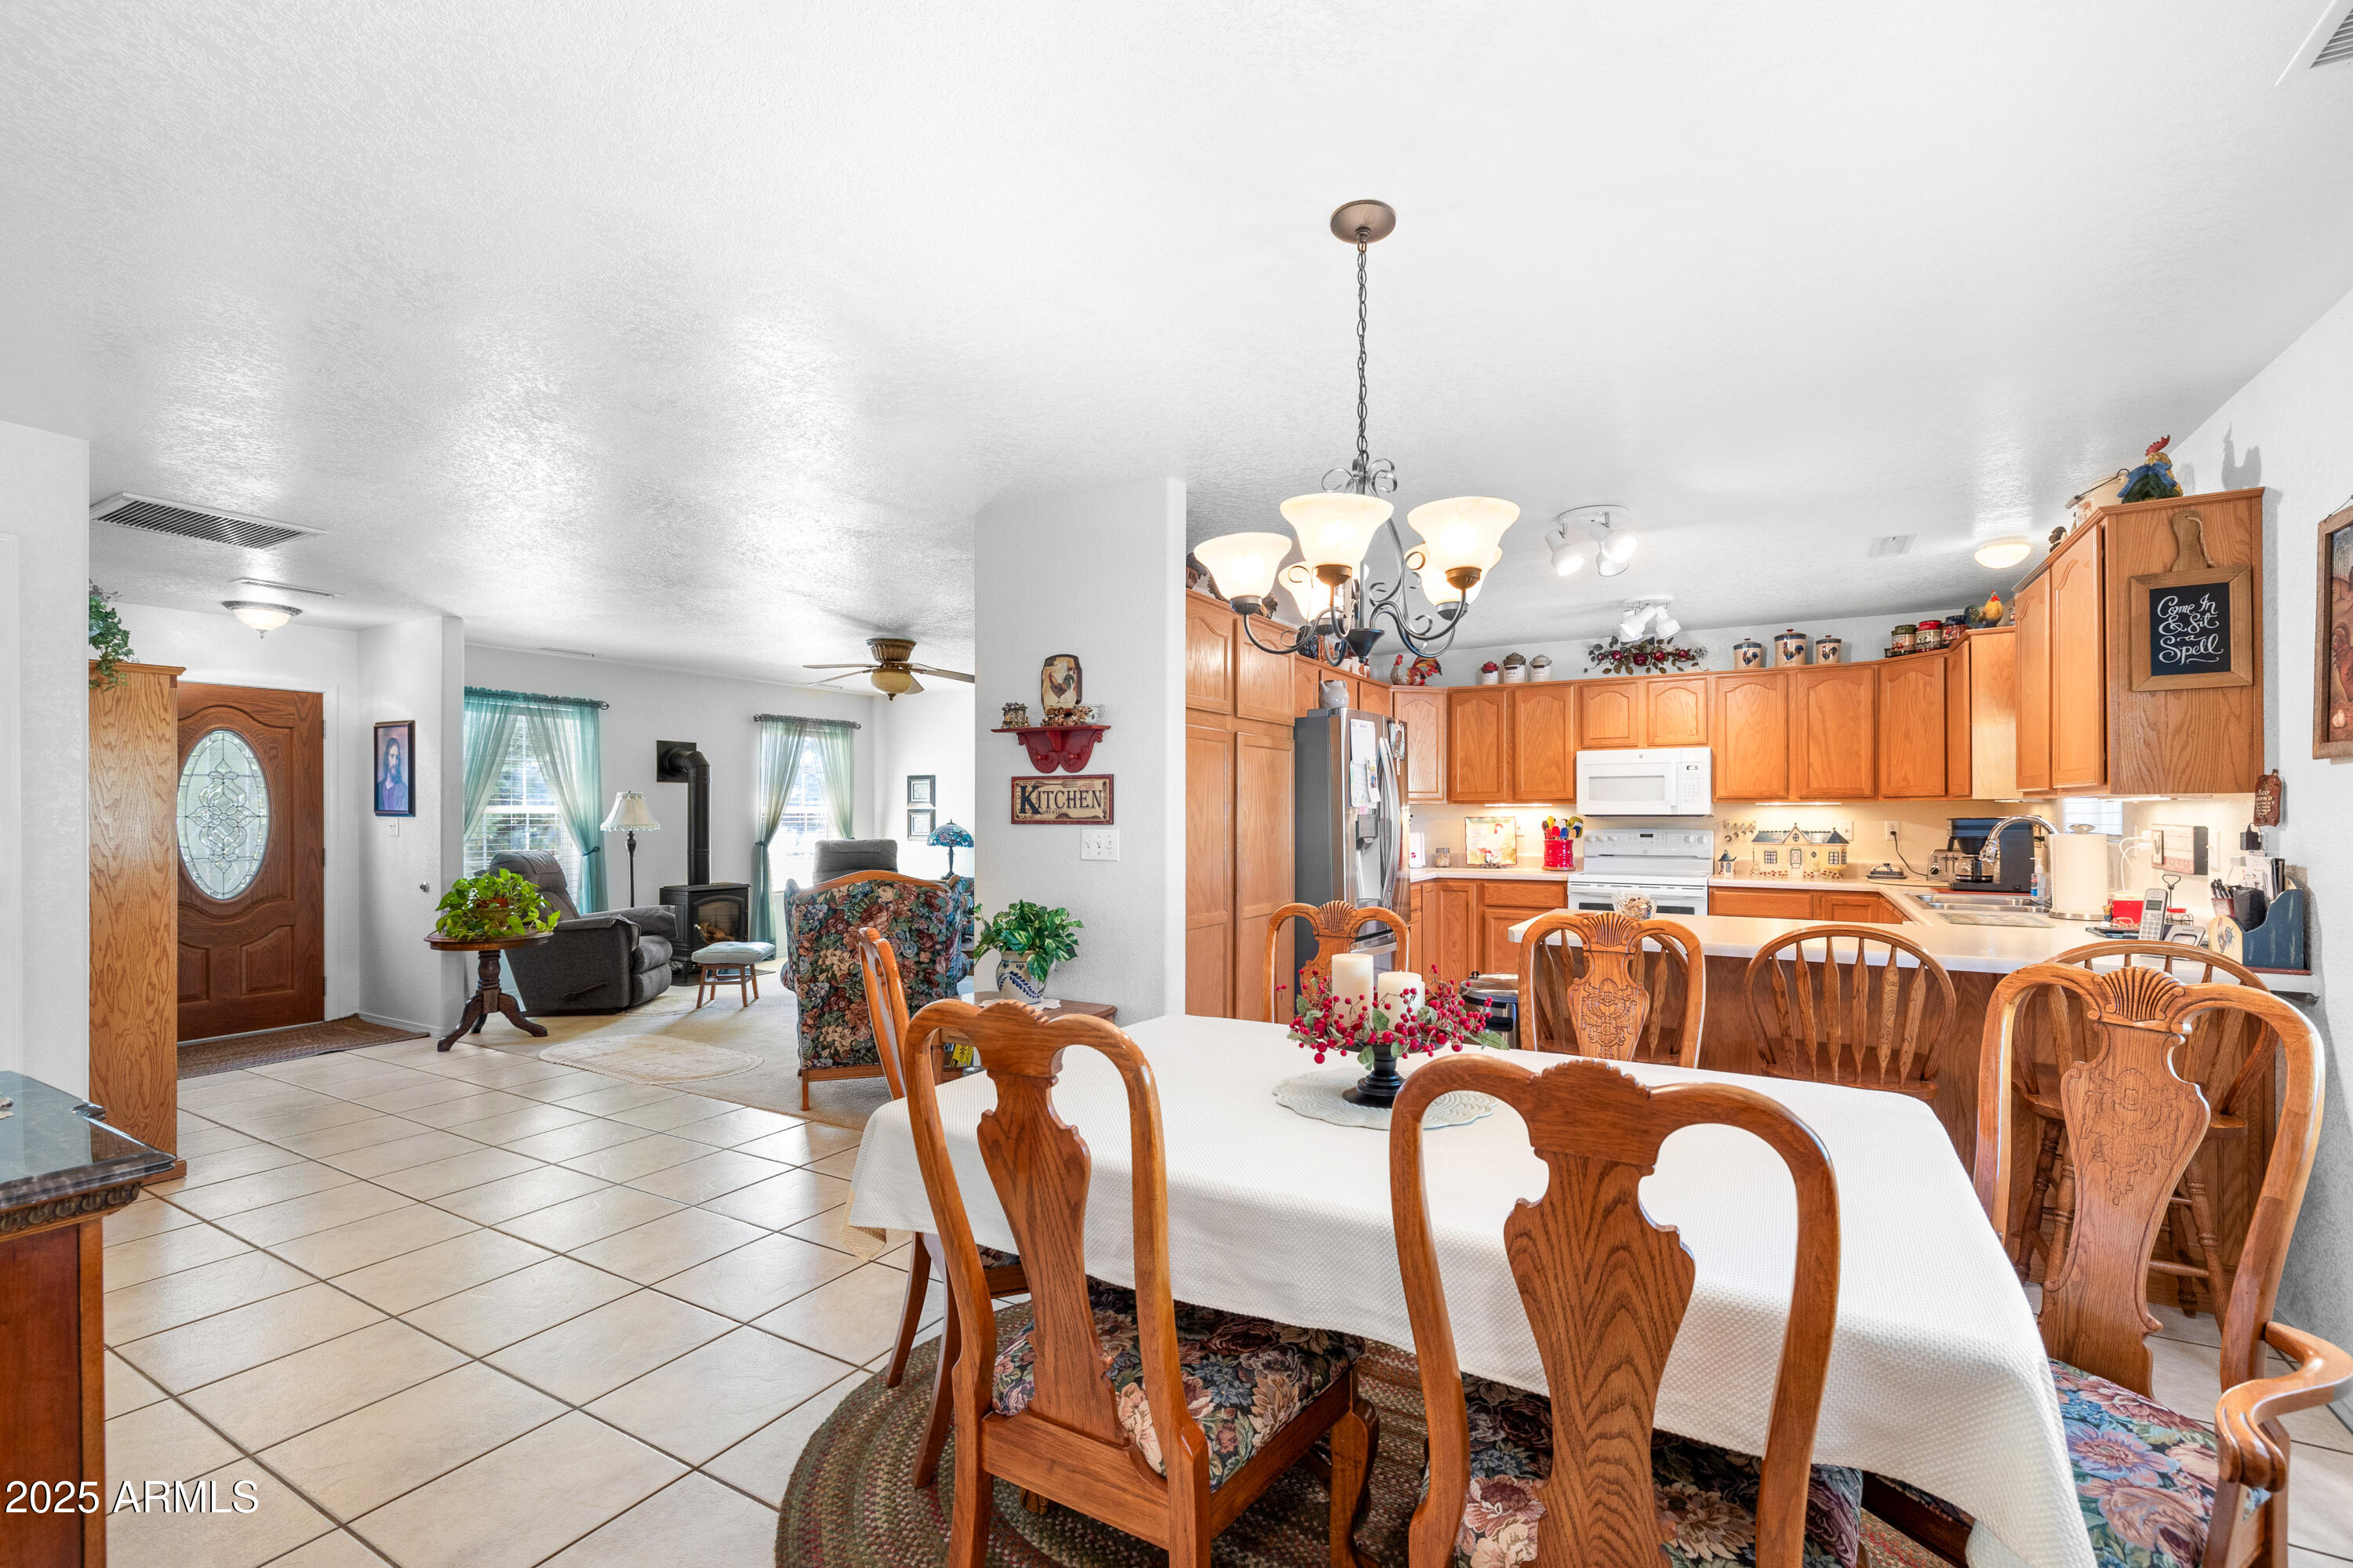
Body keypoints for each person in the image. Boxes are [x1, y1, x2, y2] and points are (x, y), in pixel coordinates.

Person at [378, 733, 408, 813]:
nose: (395, 762)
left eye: (397, 758)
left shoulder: (402, 788)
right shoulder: (379, 787)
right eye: (392, 756)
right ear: (387, 759)